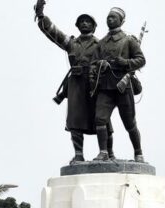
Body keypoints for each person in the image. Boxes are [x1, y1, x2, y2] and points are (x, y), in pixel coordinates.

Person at [34, 0, 114, 163]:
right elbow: (52, 32)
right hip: (76, 84)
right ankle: (78, 154)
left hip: (94, 84)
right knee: (75, 120)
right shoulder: (71, 43)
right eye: (82, 21)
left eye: (88, 21)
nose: (84, 23)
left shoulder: (101, 44)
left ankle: (107, 153)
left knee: (102, 119)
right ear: (77, 25)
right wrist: (41, 15)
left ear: (94, 26)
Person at [90, 7, 146, 162]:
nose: (110, 20)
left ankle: (138, 153)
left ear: (121, 21)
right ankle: (103, 152)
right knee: (100, 119)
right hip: (105, 87)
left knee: (130, 123)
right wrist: (100, 64)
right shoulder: (101, 43)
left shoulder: (129, 41)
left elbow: (141, 60)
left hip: (123, 87)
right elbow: (93, 64)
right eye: (108, 17)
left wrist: (125, 62)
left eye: (113, 17)